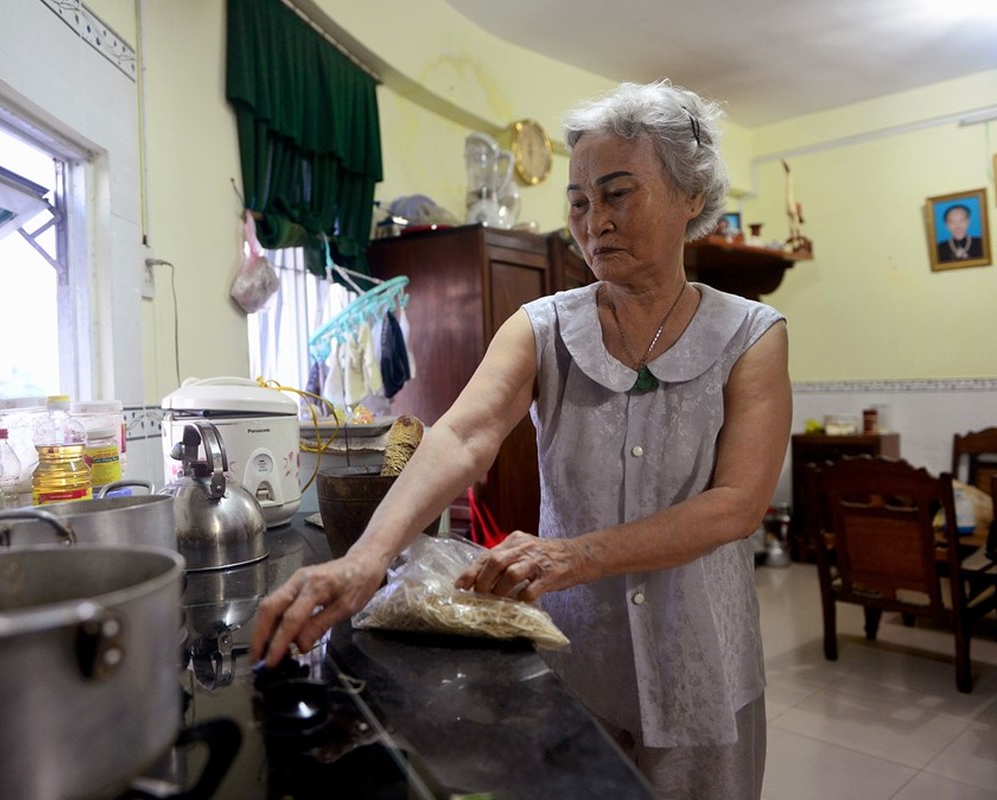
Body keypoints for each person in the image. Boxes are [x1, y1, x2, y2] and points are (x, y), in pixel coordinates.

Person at [252, 79, 791, 800]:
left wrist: (572, 554)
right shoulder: (542, 326)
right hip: (574, 661)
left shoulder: (751, 336)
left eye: (617, 193)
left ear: (690, 195)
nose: (592, 220)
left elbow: (735, 505)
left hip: (702, 664)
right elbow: (463, 437)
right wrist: (362, 562)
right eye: (577, 201)